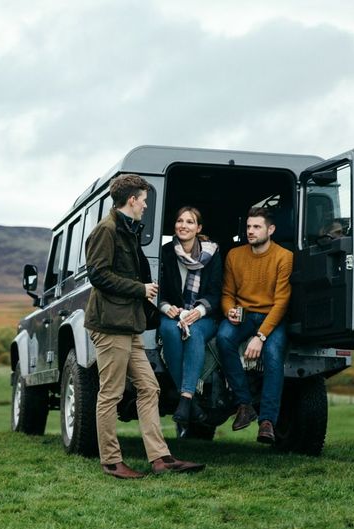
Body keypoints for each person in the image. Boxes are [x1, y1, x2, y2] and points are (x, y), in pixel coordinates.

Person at [84, 174, 205, 479]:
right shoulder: (107, 230)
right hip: (111, 325)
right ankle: (111, 461)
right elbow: (98, 275)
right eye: (145, 200)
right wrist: (140, 289)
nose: (147, 206)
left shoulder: (127, 230)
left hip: (130, 325)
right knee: (110, 394)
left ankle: (161, 458)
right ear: (133, 200)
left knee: (149, 387)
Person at [216, 207, 293, 444]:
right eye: (249, 227)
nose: (251, 231)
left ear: (271, 230)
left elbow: (281, 302)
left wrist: (260, 337)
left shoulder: (284, 256)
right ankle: (244, 404)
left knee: (272, 354)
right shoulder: (234, 255)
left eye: (257, 227)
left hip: (272, 316)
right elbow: (227, 293)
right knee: (223, 338)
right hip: (244, 315)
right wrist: (229, 310)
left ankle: (267, 421)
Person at [157, 206, 222, 426]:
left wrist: (199, 310)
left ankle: (184, 399)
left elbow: (216, 293)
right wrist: (166, 307)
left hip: (204, 316)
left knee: (193, 333)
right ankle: (190, 403)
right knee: (167, 330)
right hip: (174, 313)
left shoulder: (212, 254)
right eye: (180, 221)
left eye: (190, 222)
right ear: (174, 225)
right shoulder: (165, 253)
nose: (184, 226)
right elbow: (159, 290)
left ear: (198, 228)